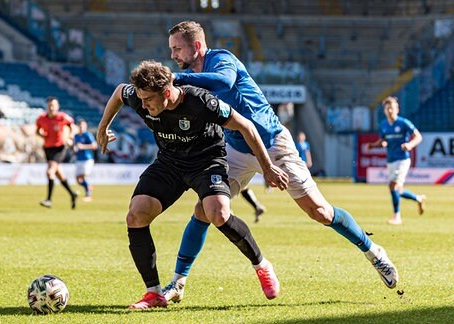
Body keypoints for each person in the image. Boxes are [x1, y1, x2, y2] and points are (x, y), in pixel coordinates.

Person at [162, 20, 399, 303]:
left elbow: (223, 81)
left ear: (197, 46)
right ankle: (178, 283)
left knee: (320, 212)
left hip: (274, 143)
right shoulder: (190, 79)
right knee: (204, 208)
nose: (173, 56)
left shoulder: (221, 59)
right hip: (237, 148)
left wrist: (179, 79)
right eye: (171, 50)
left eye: (177, 49)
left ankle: (374, 252)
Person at [96, 60, 289, 309]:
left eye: (148, 100)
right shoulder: (140, 97)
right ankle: (153, 294)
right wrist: (103, 127)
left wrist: (267, 167)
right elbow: (120, 92)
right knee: (137, 214)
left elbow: (246, 126)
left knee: (217, 212)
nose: (142, 105)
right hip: (170, 163)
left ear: (167, 92)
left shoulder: (201, 102)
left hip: (206, 161)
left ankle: (261, 266)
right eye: (141, 99)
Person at [367, 96, 425, 225]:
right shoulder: (383, 124)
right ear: (385, 111)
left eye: (392, 108)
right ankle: (418, 198)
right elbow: (383, 141)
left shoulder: (403, 122)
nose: (390, 111)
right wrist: (374, 145)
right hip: (391, 160)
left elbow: (418, 136)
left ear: (397, 109)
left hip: (402, 159)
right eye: (387, 108)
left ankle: (397, 217)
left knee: (392, 185)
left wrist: (409, 145)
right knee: (398, 190)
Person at [35, 96, 78, 209]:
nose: (51, 107)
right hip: (48, 148)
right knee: (58, 174)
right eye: (49, 105)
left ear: (57, 106)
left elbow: (73, 126)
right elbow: (37, 130)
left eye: (53, 105)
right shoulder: (41, 119)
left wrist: (70, 136)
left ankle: (48, 200)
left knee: (50, 172)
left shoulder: (62, 117)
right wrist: (41, 134)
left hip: (59, 147)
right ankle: (72, 194)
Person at [73, 119, 98, 201]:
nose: (81, 128)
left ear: (85, 127)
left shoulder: (88, 135)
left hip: (87, 159)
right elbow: (75, 146)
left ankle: (88, 195)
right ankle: (88, 187)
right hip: (79, 159)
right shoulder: (76, 136)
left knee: (83, 177)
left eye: (83, 126)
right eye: (80, 126)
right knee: (78, 180)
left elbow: (94, 146)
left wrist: (83, 146)